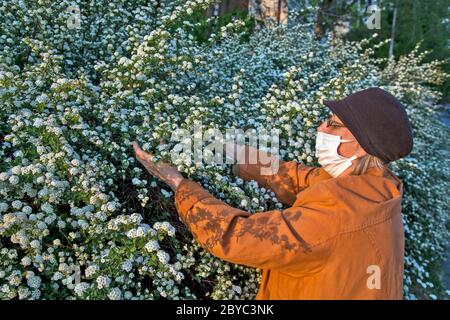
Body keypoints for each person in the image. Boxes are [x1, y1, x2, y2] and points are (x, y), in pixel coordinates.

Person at [132, 87, 414, 299]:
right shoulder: (377, 189)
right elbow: (296, 178)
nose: (321, 128)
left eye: (333, 124)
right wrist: (226, 151)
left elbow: (236, 236)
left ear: (363, 144)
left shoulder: (338, 217)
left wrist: (179, 185)